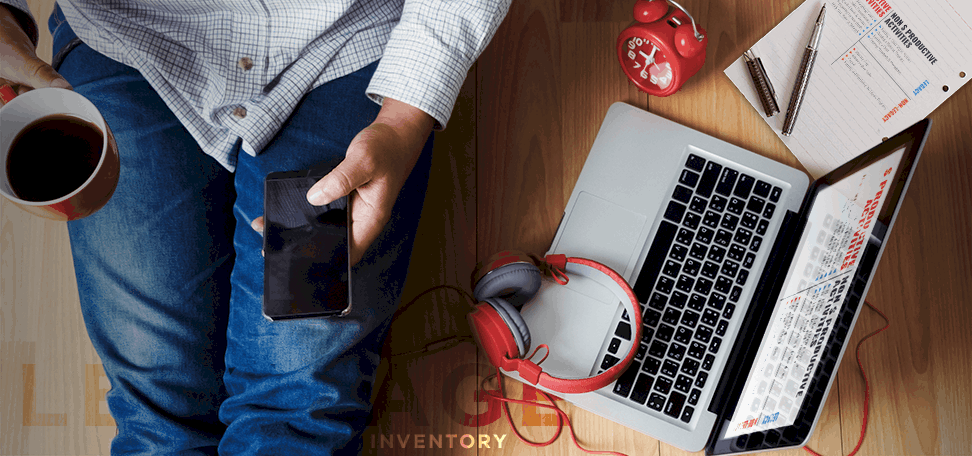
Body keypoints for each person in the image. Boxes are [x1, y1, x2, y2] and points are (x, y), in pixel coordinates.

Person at [0, 0, 509, 453]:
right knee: (160, 411)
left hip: (342, 39)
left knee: (298, 405)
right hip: (132, 36)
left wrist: (404, 119)